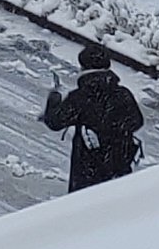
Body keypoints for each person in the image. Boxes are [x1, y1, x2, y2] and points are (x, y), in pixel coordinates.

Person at [42, 42, 144, 192]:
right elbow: (137, 121)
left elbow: (55, 121)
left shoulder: (80, 97)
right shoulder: (122, 94)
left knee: (85, 206)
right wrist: (114, 131)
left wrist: (54, 98)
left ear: (84, 68)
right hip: (118, 163)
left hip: (88, 169)